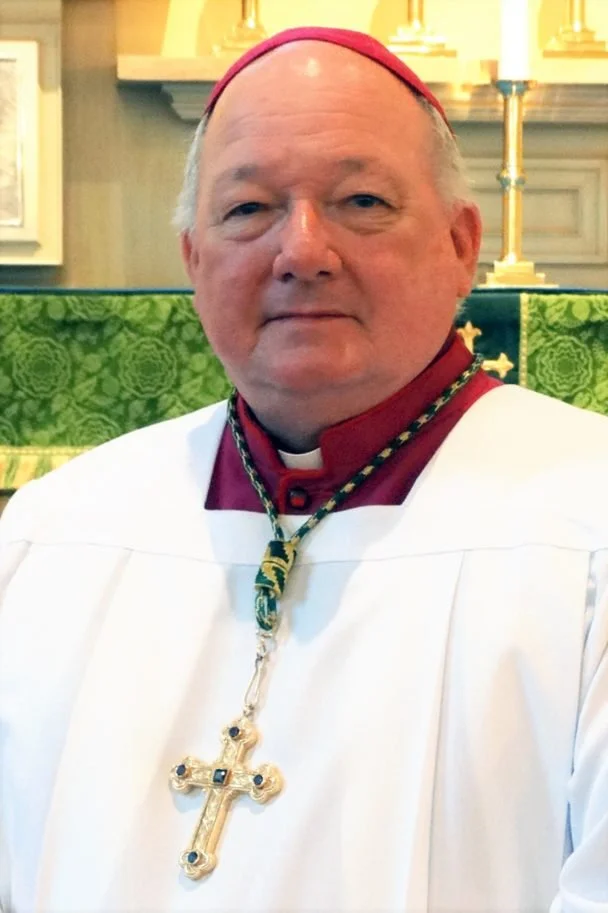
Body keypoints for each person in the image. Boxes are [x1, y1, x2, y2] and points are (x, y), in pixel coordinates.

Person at [1, 25, 608, 913]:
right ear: (193, 260)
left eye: (362, 201)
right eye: (248, 209)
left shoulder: (587, 517)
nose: (303, 251)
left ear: (460, 244)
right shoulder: (50, 535)